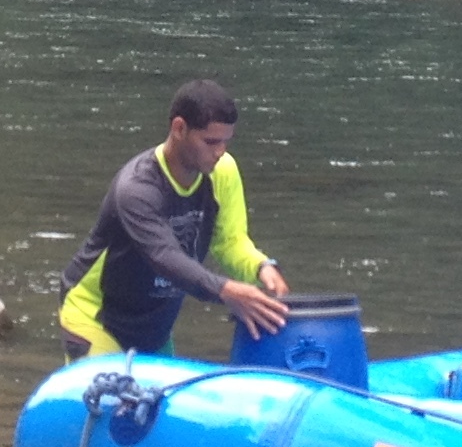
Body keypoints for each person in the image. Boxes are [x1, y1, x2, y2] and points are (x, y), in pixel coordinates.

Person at [57, 77, 291, 359]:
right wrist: (227, 291)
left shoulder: (223, 171)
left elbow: (229, 241)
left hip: (154, 328)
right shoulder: (137, 189)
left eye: (226, 141)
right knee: (113, 402)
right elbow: (166, 258)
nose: (220, 152)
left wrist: (261, 267)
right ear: (179, 128)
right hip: (95, 317)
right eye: (210, 141)